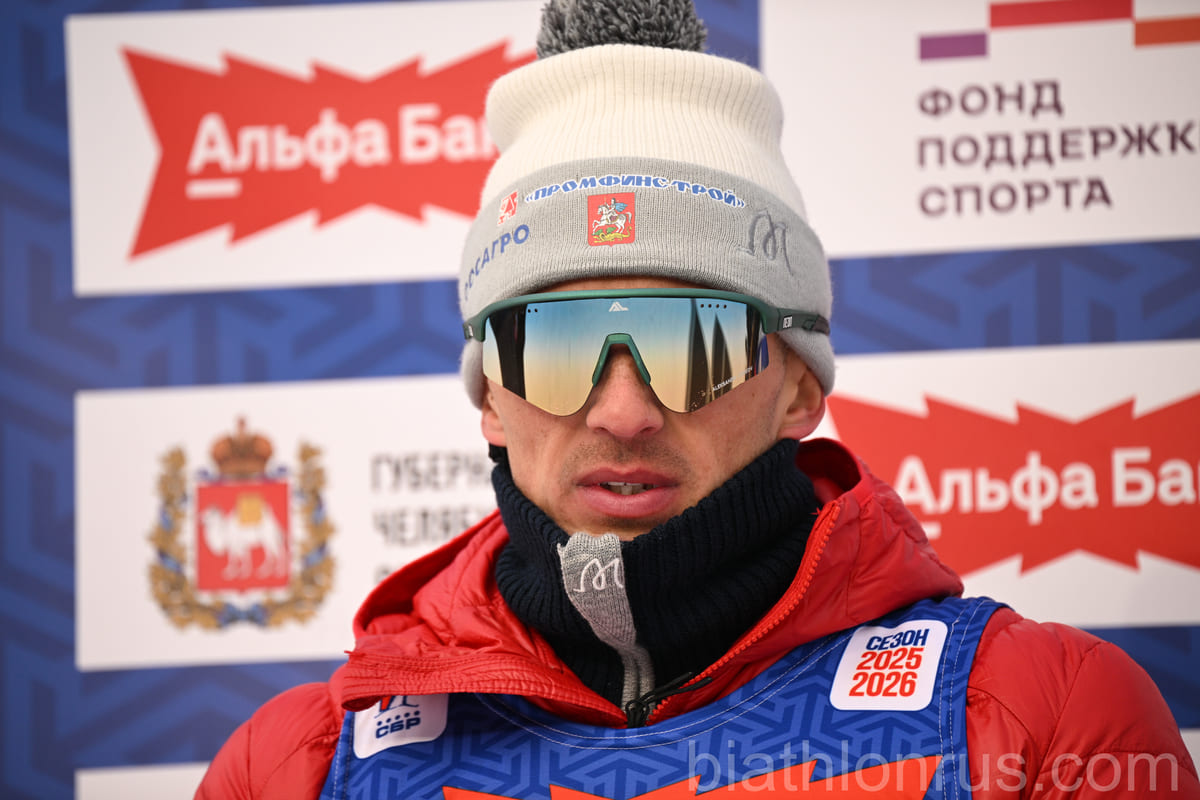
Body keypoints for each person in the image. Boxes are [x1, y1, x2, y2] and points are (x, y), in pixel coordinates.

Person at [196, 1, 1199, 797]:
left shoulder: (1041, 715)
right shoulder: (295, 766)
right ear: (491, 397)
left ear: (798, 385)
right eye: (554, 346)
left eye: (696, 343)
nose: (622, 411)